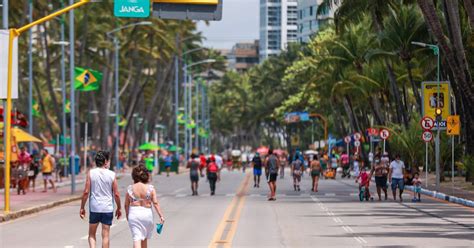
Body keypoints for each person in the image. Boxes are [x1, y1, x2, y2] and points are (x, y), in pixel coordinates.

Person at [79, 151, 122, 248]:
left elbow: (86, 192)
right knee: (105, 235)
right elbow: (116, 194)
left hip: (94, 207)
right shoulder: (112, 174)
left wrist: (82, 207)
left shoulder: (91, 173)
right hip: (107, 208)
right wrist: (119, 208)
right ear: (106, 161)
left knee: (91, 234)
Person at [125, 164, 165, 248]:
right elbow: (155, 203)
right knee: (144, 238)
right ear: (146, 176)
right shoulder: (150, 188)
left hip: (134, 213)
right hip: (147, 214)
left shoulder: (130, 189)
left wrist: (127, 215)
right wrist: (161, 216)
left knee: (137, 238)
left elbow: (126, 205)